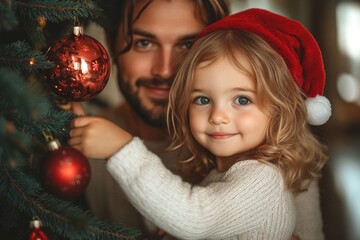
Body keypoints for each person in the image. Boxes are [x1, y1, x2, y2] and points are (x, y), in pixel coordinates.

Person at [69, 8, 331, 239]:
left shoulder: (261, 179)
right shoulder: (226, 170)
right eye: (203, 99)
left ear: (280, 111)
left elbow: (196, 218)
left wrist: (122, 150)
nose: (218, 116)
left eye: (241, 99)